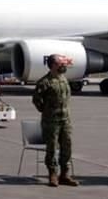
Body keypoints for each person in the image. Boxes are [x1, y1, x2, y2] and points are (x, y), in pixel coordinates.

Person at [32, 54, 78, 187]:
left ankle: (65, 174)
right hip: (51, 121)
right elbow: (36, 100)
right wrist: (46, 111)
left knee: (67, 146)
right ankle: (53, 174)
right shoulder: (44, 82)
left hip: (66, 119)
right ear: (53, 65)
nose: (64, 65)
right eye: (60, 63)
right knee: (52, 148)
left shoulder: (64, 79)